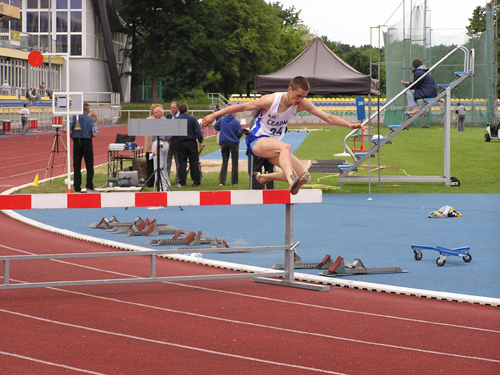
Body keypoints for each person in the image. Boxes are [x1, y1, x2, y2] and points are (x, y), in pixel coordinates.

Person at [202, 76, 364, 195]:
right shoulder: (270, 100)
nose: (300, 100)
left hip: (273, 146)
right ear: (289, 90)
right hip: (257, 141)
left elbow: (327, 117)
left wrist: (349, 124)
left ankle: (263, 178)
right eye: (298, 96)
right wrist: (213, 116)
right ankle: (290, 180)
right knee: (286, 147)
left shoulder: (301, 104)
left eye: (304, 97)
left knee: (305, 177)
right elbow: (239, 107)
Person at [70, 102, 98, 193]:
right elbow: (95, 133)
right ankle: (89, 186)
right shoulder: (91, 119)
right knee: (89, 165)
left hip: (77, 142)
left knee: (77, 166)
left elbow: (68, 129)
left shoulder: (74, 117)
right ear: (87, 109)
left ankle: (77, 188)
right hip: (87, 142)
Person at [214, 105, 244, 186]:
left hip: (224, 143)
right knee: (235, 163)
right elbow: (240, 132)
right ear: (233, 112)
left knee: (224, 162)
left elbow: (215, 126)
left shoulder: (222, 120)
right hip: (234, 143)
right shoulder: (235, 122)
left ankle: (221, 181)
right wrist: (236, 137)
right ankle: (234, 182)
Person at [176, 103, 203, 188]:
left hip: (181, 142)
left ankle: (182, 182)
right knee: (194, 162)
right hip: (191, 142)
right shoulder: (192, 119)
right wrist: (200, 141)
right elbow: (198, 131)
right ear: (187, 110)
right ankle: (196, 181)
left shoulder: (177, 119)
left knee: (182, 163)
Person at [151, 104, 170, 191]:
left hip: (160, 144)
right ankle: (166, 185)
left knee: (159, 166)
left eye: (156, 113)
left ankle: (163, 187)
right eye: (154, 113)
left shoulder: (162, 122)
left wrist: (156, 149)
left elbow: (162, 136)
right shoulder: (163, 121)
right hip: (164, 144)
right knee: (163, 166)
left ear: (161, 113)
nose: (154, 115)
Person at [166, 101, 180, 184]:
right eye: (171, 108)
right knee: (168, 161)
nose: (172, 109)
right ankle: (166, 178)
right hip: (169, 142)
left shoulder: (181, 117)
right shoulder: (168, 117)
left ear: (178, 108)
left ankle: (178, 178)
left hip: (177, 142)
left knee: (178, 161)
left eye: (174, 108)